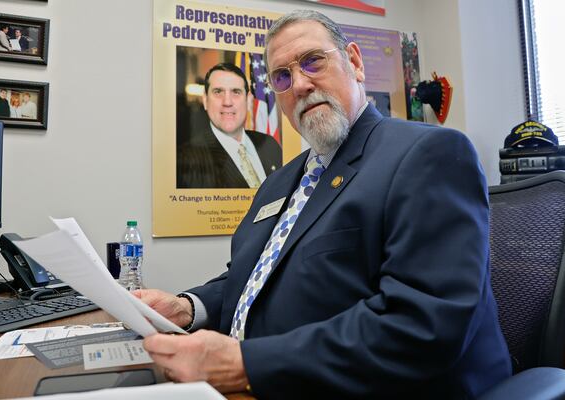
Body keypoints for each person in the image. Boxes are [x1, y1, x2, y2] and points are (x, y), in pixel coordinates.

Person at [137, 10, 511, 399]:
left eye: (313, 61)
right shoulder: (278, 182)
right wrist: (186, 307)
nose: (299, 84)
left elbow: (423, 324)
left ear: (354, 62)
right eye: (282, 77)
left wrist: (246, 363)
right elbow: (248, 279)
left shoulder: (427, 154)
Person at [177, 63, 282, 188]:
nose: (227, 102)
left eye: (236, 92)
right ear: (205, 100)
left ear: (248, 101)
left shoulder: (269, 144)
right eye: (218, 92)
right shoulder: (186, 159)